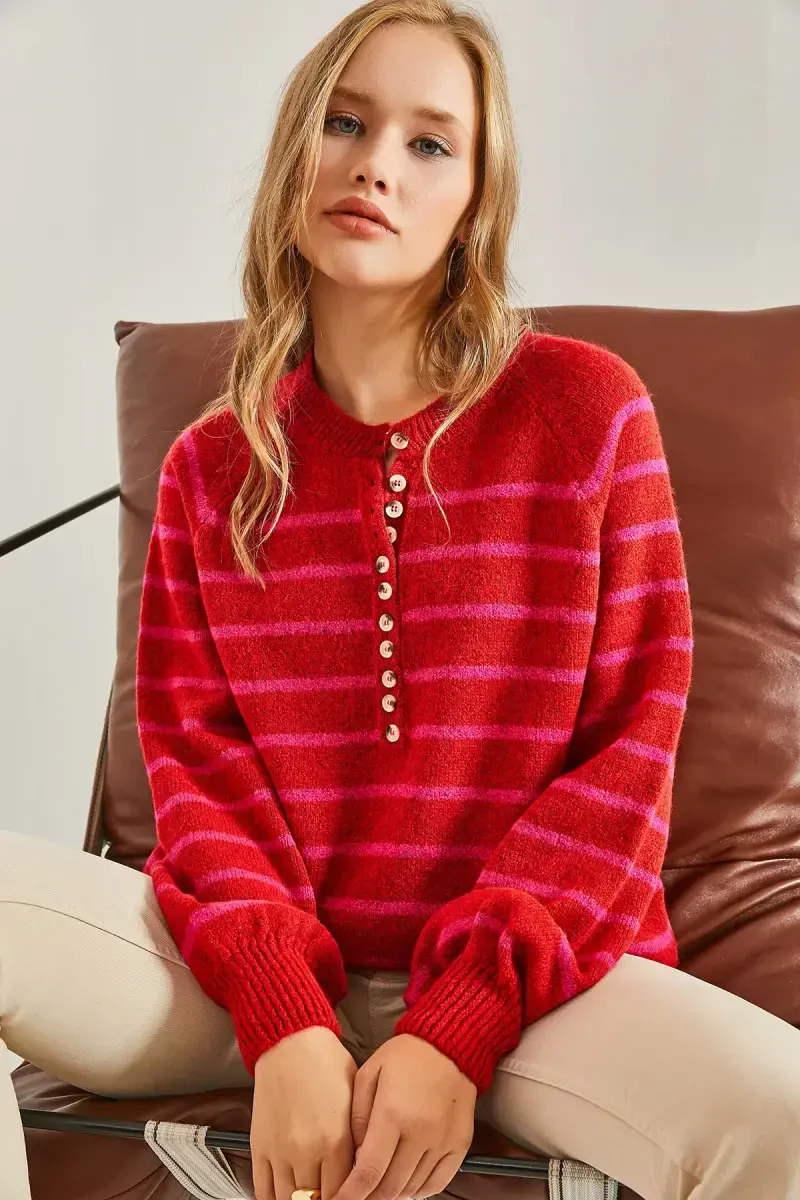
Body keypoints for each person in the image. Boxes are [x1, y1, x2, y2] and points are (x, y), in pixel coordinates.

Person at [2, 2, 800, 1198]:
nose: (375, 163)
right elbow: (196, 771)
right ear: (294, 153)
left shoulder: (586, 415)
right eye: (343, 122)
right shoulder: (210, 468)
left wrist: (455, 1025)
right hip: (234, 977)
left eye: (429, 142)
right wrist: (283, 1016)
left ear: (474, 202)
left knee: (782, 1113)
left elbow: (626, 754)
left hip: (537, 997)